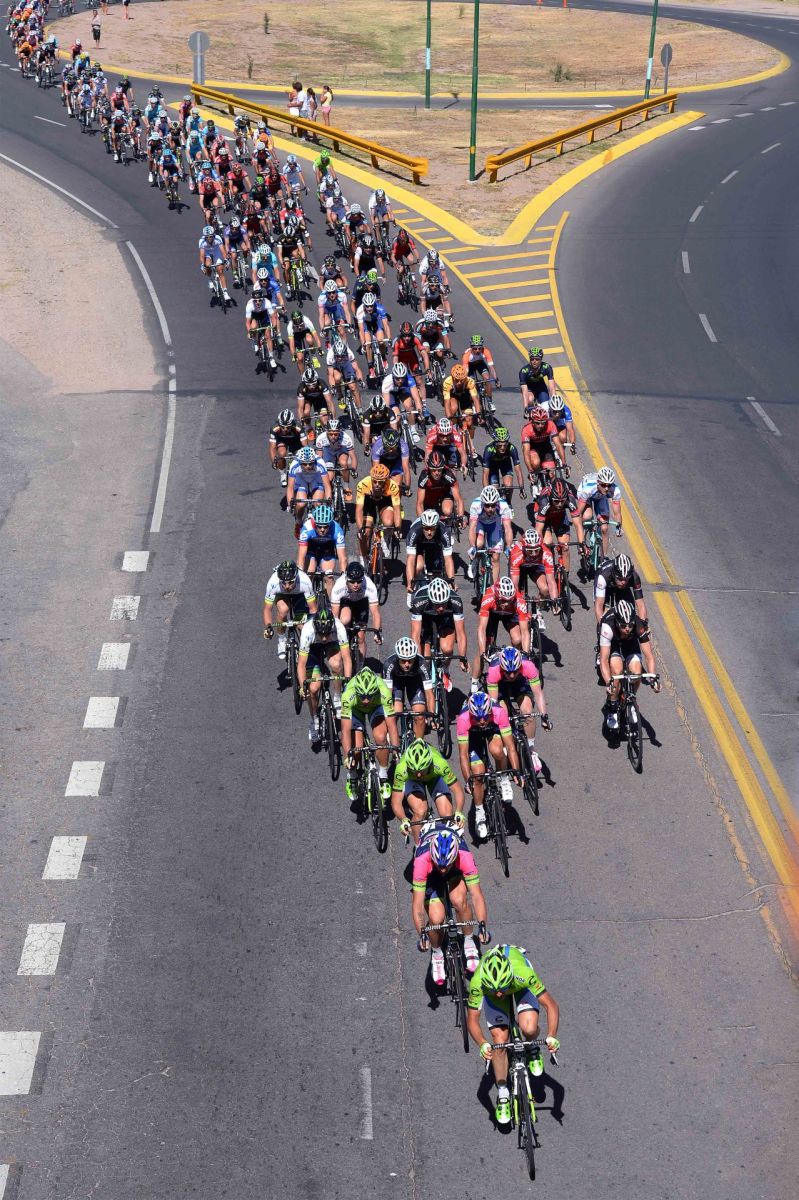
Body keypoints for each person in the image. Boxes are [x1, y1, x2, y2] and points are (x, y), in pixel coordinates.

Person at [466, 945, 560, 1127]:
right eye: (494, 989)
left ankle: (532, 1047)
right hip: (492, 997)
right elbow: (472, 1019)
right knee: (499, 1041)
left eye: (502, 988)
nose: (500, 993)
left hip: (519, 986)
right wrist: (482, 1043)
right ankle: (503, 1093)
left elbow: (551, 1005)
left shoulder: (523, 973)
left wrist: (551, 1036)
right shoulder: (478, 982)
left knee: (529, 1028)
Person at [413, 820, 489, 984]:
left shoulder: (464, 856)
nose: (442, 870)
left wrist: (482, 925)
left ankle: (469, 942)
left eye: (445, 866)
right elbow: (417, 905)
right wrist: (422, 934)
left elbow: (476, 895)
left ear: (454, 857)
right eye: (439, 865)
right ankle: (437, 954)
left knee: (459, 900)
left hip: (455, 870)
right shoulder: (422, 861)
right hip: (430, 874)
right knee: (436, 919)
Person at [456, 691, 519, 839]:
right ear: (471, 714)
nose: (482, 721)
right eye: (477, 718)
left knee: (497, 750)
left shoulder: (499, 712)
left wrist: (516, 771)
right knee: (478, 775)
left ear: (490, 711)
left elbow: (510, 747)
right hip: (473, 736)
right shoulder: (463, 719)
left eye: (485, 716)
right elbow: (463, 755)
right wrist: (468, 780)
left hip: (493, 729)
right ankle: (480, 813)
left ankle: (503, 779)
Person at [486, 646, 550, 776]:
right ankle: (507, 743)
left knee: (528, 711)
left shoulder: (528, 666)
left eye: (515, 671)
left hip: (520, 683)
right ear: (501, 667)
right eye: (508, 672)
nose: (511, 675)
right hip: (500, 686)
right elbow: (493, 703)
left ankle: (531, 750)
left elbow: (538, 694)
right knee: (502, 712)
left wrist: (544, 717)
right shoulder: (494, 670)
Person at [599, 599, 660, 731]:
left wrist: (653, 678)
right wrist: (609, 682)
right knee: (616, 671)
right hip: (613, 644)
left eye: (630, 625)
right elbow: (603, 660)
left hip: (630, 644)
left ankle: (631, 698)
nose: (627, 629)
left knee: (637, 672)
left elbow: (649, 656)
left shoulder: (638, 624)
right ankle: (613, 708)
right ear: (617, 622)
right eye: (623, 626)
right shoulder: (607, 626)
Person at [340, 667, 399, 802]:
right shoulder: (348, 695)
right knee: (356, 750)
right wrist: (348, 755)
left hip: (376, 707)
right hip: (355, 710)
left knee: (381, 737)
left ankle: (383, 775)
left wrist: (396, 750)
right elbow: (345, 731)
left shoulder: (384, 692)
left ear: (376, 691)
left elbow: (392, 726)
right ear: (357, 691)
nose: (366, 700)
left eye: (370, 696)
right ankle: (352, 776)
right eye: (362, 696)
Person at [298, 607, 351, 743]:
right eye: (321, 634)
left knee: (336, 665)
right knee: (313, 689)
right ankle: (314, 719)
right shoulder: (307, 631)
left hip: (332, 645)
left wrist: (348, 682)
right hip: (313, 649)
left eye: (327, 633)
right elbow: (301, 664)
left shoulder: (339, 627)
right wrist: (303, 687)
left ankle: (337, 697)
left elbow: (346, 658)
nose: (324, 638)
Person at [383, 637, 434, 743]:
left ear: (415, 658)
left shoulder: (423, 664)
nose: (407, 664)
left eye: (410, 661)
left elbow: (429, 693)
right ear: (398, 658)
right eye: (403, 661)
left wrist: (431, 715)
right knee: (395, 712)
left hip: (414, 683)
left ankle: (418, 746)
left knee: (420, 716)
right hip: (397, 683)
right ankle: (394, 743)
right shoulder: (389, 664)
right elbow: (387, 694)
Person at [263, 559, 317, 660]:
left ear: (296, 577)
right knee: (283, 610)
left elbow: (313, 609)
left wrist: (310, 627)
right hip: (281, 595)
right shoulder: (273, 582)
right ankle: (281, 639)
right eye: (283, 583)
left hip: (299, 595)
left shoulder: (305, 581)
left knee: (302, 626)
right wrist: (268, 627)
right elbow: (267, 609)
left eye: (291, 582)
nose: (287, 586)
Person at [575, 467, 623, 562]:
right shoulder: (588, 489)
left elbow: (617, 513)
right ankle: (583, 536)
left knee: (604, 528)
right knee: (587, 516)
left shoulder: (615, 490)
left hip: (600, 497)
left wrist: (619, 528)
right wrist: (580, 534)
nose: (606, 488)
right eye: (603, 485)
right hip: (586, 495)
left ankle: (603, 558)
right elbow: (578, 514)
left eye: (609, 485)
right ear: (598, 482)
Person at [405, 509, 456, 592]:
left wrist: (451, 582)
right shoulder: (414, 531)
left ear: (436, 526)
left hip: (435, 544)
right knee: (418, 566)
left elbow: (448, 559)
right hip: (419, 545)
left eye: (432, 529)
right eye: (426, 528)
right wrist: (410, 583)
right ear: (422, 526)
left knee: (437, 569)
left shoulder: (444, 531)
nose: (429, 532)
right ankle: (415, 584)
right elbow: (410, 560)